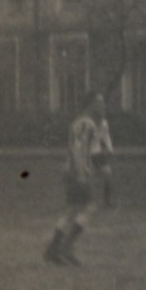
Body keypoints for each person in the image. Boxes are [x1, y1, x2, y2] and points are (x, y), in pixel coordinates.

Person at [44, 91, 106, 265]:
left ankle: (53, 249)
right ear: (90, 104)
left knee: (72, 209)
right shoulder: (86, 123)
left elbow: (87, 149)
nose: (102, 106)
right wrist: (81, 172)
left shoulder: (81, 121)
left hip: (73, 169)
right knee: (89, 206)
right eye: (99, 102)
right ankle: (66, 247)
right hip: (79, 171)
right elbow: (79, 149)